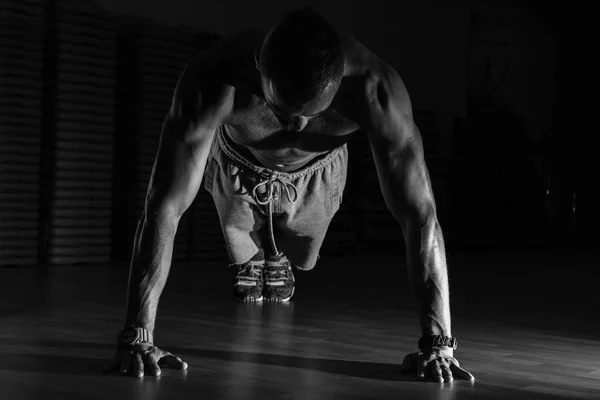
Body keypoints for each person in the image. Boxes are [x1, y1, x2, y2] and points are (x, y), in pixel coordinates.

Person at [103, 8, 475, 383]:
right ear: (258, 69)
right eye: (282, 111)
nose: (298, 125)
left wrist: (437, 343)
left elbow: (420, 213)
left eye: (313, 113)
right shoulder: (214, 80)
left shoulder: (375, 88)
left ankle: (277, 252)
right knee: (243, 248)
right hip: (238, 161)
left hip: (319, 169)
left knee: (302, 253)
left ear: (340, 77)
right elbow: (163, 205)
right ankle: (256, 252)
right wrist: (137, 334)